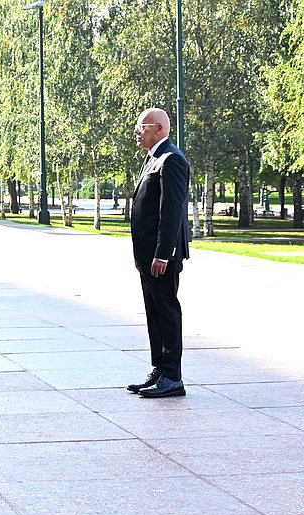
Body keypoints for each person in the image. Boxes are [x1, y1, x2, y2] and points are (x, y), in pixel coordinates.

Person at [127, 108, 190, 398]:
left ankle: (173, 377)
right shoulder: (154, 158)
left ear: (160, 129)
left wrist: (164, 254)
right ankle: (160, 370)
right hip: (147, 254)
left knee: (166, 311)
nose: (137, 131)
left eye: (142, 126)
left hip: (161, 256)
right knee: (153, 312)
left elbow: (172, 211)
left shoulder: (172, 159)